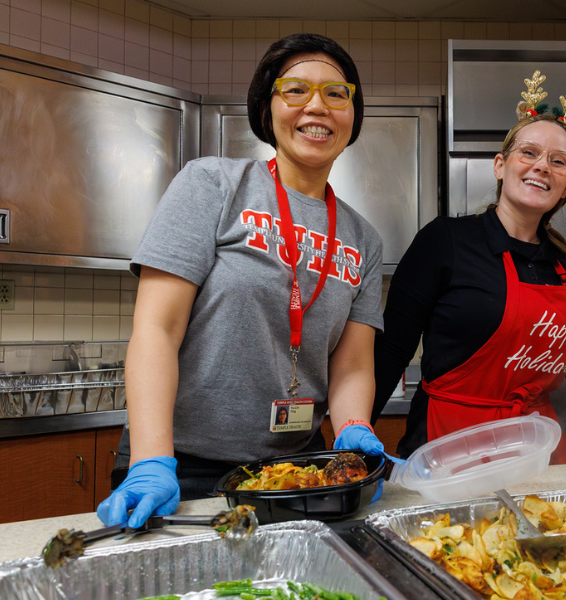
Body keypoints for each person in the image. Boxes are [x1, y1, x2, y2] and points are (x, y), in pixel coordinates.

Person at [97, 33, 387, 528]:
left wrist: (355, 426)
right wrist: (150, 461)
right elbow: (156, 331)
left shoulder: (364, 238)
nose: (317, 107)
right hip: (181, 467)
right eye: (296, 90)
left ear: (352, 115)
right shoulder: (211, 185)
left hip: (296, 469)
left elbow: (354, 363)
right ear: (266, 107)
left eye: (336, 94)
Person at [371, 72, 566, 464]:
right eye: (529, 153)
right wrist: (356, 438)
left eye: (558, 161)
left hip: (536, 453)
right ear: (500, 165)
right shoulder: (446, 241)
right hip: (449, 448)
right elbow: (390, 351)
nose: (542, 166)